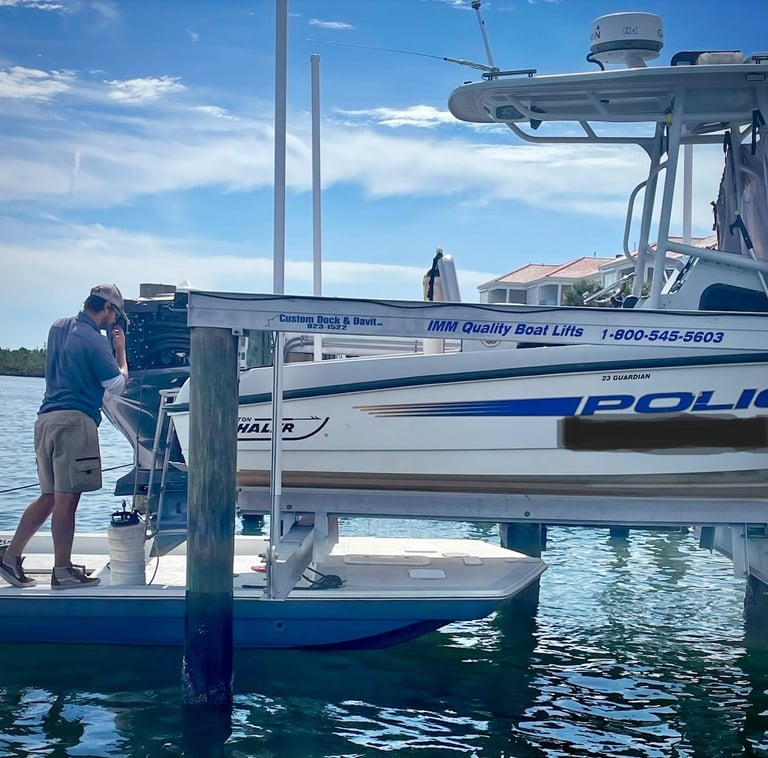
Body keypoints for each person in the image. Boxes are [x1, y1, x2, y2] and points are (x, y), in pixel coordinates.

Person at [0, 284, 129, 589]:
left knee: (49, 496)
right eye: (116, 314)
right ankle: (63, 572)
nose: (115, 320)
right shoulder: (96, 341)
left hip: (45, 420)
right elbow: (117, 385)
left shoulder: (57, 327)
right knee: (67, 501)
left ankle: (9, 557)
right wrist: (120, 352)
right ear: (107, 308)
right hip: (75, 422)